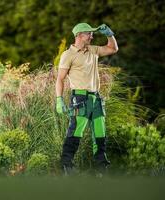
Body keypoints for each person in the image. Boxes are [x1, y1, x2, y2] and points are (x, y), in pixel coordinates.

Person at [55, 23, 118, 175]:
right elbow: (60, 79)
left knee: (100, 133)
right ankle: (66, 165)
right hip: (80, 98)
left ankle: (102, 168)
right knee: (75, 132)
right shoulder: (68, 55)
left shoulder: (93, 50)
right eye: (89, 33)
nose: (92, 36)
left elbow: (113, 48)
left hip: (96, 98)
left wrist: (110, 35)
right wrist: (59, 99)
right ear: (79, 35)